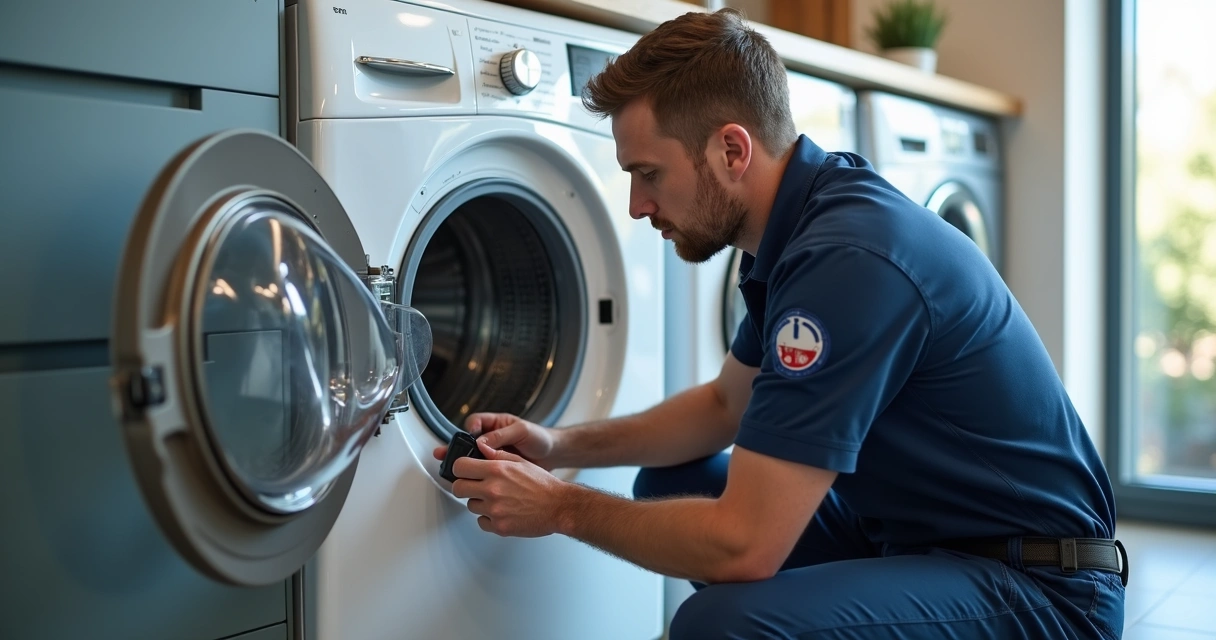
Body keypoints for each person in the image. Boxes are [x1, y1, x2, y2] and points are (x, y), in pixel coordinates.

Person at [432, 8, 1126, 639]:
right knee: (676, 482)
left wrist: (561, 508)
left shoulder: (847, 260)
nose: (639, 206)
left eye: (649, 173)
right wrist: (557, 443)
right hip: (921, 535)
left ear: (732, 151)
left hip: (1044, 587)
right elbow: (723, 405)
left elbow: (745, 544)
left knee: (717, 626)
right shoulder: (797, 227)